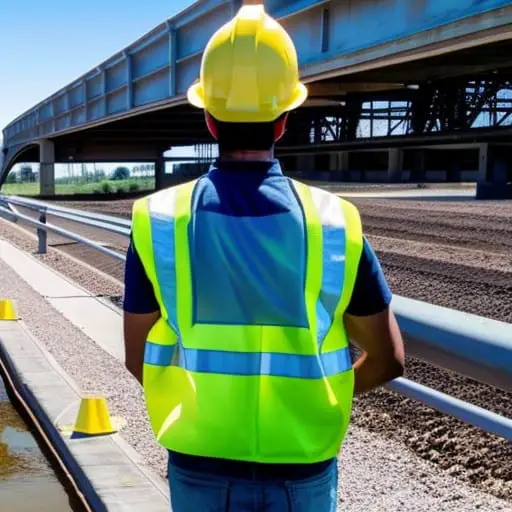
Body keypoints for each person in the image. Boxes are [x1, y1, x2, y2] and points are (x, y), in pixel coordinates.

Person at [123, 4, 405, 511]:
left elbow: (136, 357)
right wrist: (319, 398)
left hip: (199, 462)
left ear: (209, 120)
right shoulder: (335, 222)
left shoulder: (158, 220)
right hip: (302, 467)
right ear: (283, 120)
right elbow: (388, 359)